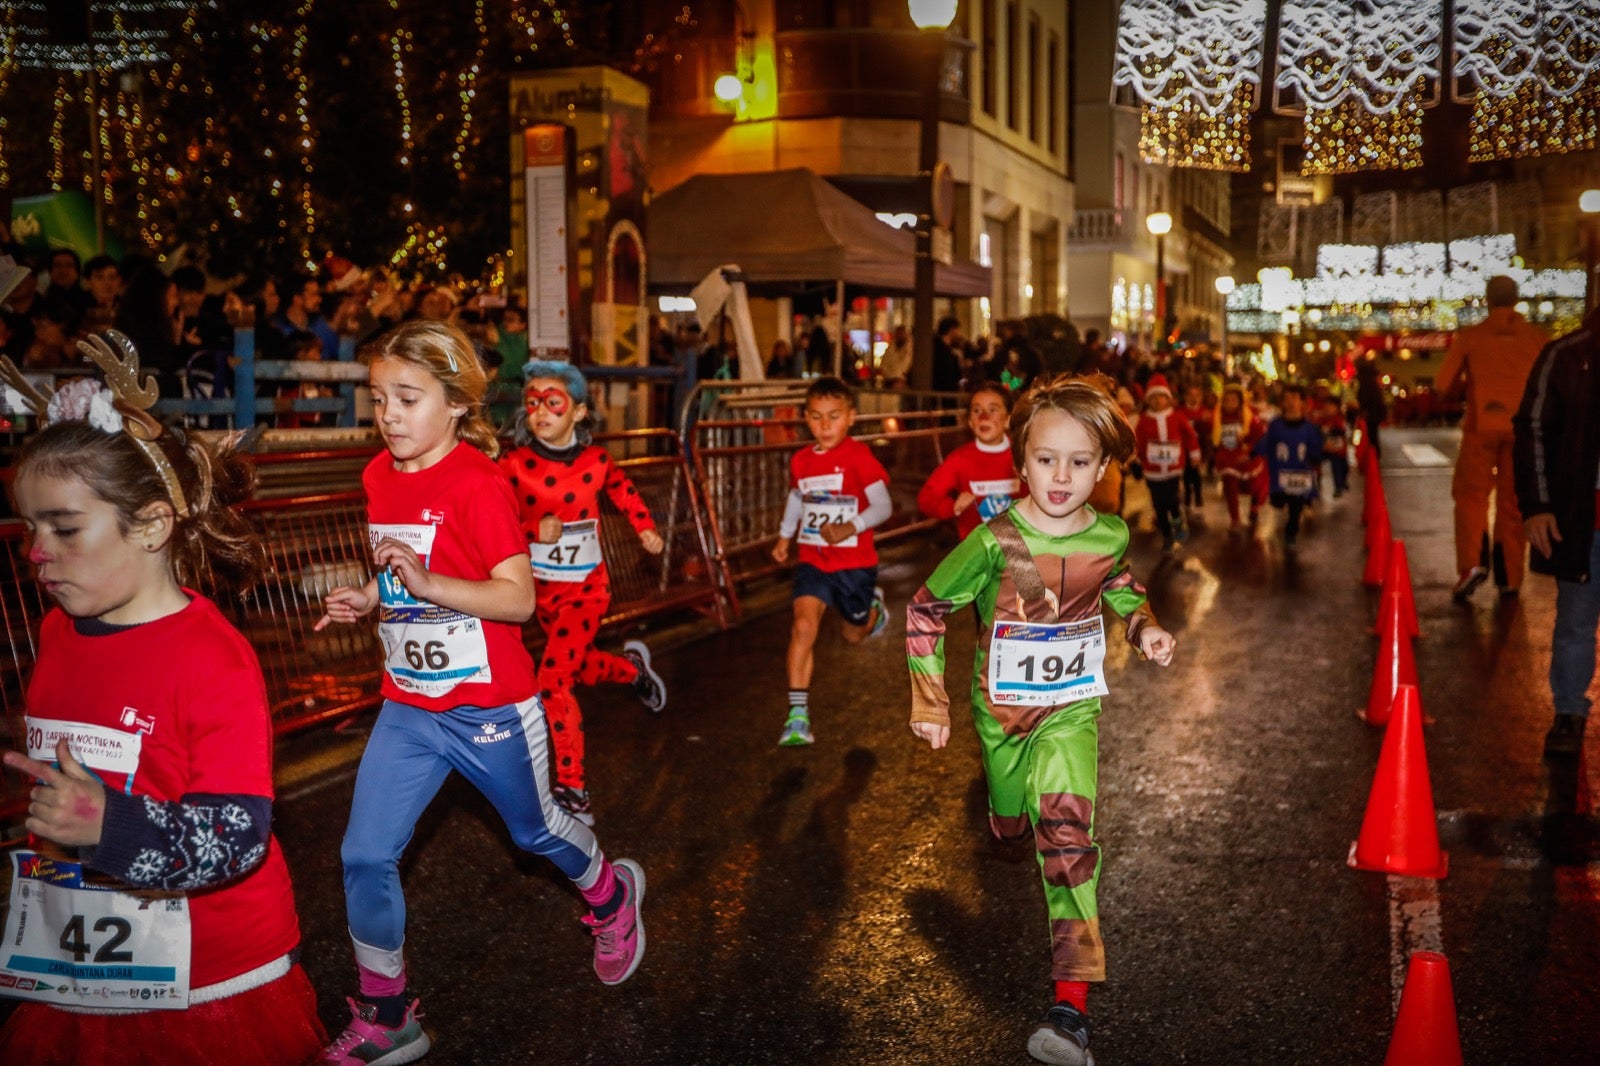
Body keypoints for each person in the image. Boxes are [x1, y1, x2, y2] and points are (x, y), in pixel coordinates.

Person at [313, 320, 645, 1062]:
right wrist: (371, 596)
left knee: (535, 833)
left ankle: (611, 896)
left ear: (457, 403)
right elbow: (404, 568)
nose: (389, 414)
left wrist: (428, 584)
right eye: (378, 398)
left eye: (408, 397)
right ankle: (387, 1013)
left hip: (490, 705)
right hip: (409, 707)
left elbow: (518, 598)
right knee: (365, 854)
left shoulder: (476, 483)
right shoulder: (378, 476)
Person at [0, 336, 326, 1065]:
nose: (35, 553)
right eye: (28, 528)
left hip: (209, 984)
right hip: (79, 972)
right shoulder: (54, 633)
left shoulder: (213, 661)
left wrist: (105, 825)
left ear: (150, 525)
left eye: (64, 528)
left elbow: (237, 837)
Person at [905, 377, 1175, 1066]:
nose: (1061, 475)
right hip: (1001, 717)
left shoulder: (1110, 533)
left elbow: (1118, 585)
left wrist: (1144, 628)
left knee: (1066, 835)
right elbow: (925, 610)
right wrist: (930, 701)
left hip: (1071, 710)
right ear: (1020, 462)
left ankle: (1070, 1008)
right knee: (1009, 819)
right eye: (1047, 458)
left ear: (1104, 467)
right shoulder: (994, 539)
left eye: (1079, 461)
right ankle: (1006, 815)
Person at [498, 359, 669, 825]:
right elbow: (491, 517)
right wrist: (534, 527)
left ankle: (572, 787)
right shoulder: (513, 465)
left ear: (578, 413)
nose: (540, 413)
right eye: (532, 402)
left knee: (552, 678)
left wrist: (646, 529)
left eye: (553, 402)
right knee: (578, 666)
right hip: (539, 595)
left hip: (588, 591)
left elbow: (625, 493)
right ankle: (631, 670)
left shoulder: (597, 462)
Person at [769, 376, 892, 746]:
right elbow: (796, 498)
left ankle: (871, 611)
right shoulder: (802, 461)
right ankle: (797, 717)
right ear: (806, 418)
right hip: (814, 561)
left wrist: (849, 526)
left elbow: (884, 506)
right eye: (817, 417)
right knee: (803, 627)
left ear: (851, 417)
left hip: (854, 564)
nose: (825, 426)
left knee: (853, 635)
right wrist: (783, 537)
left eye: (834, 416)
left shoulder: (859, 458)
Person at [1513, 307, 1600, 757]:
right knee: (1575, 621)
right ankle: (1568, 712)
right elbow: (1532, 429)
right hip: (1587, 522)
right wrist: (1538, 505)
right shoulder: (1566, 355)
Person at [1438, 275, 1548, 601]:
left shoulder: (1472, 337)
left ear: (1488, 300)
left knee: (1471, 497)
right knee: (1513, 504)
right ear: (1516, 300)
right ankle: (1510, 577)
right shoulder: (1537, 338)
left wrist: (1466, 388)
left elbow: (1443, 385)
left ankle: (1472, 565)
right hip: (1523, 430)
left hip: (1481, 426)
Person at [917, 382, 1024, 541]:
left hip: (1019, 548)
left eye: (993, 410)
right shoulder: (959, 459)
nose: (984, 417)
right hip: (976, 550)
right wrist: (952, 507)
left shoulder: (1023, 454)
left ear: (1008, 419)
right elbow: (927, 499)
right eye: (976, 410)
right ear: (970, 422)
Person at [1131, 374, 1200, 552]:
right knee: (1158, 505)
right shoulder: (1144, 421)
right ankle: (1167, 536)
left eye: (1161, 397)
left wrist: (1194, 453)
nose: (1157, 401)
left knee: (1172, 500)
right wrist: (1136, 460)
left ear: (1168, 399)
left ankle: (1177, 519)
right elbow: (1138, 442)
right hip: (1152, 471)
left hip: (1173, 469)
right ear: (1148, 400)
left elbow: (1190, 435)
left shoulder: (1177, 417)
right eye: (1153, 398)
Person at [1254, 383, 1323, 548]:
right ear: (1282, 403)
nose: (1290, 402)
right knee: (1277, 501)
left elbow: (1316, 446)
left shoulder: (1310, 428)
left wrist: (1316, 457)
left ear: (1302, 403)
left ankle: (1291, 531)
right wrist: (1253, 453)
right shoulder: (1276, 425)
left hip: (1300, 473)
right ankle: (1282, 507)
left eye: (1294, 398)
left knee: (1296, 506)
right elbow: (1267, 442)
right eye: (1286, 399)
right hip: (1280, 472)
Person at [1212, 382, 1265, 531]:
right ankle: (1235, 519)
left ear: (1240, 401)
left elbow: (1259, 437)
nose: (1229, 404)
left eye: (1233, 400)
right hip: (1227, 458)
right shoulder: (1217, 417)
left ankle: (1254, 507)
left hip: (1247, 458)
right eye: (1226, 400)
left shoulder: (1249, 417)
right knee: (1230, 487)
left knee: (1253, 486)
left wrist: (1248, 446)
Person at [1178, 381, 1210, 513]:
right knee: (1187, 473)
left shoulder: (1205, 412)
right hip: (1184, 449)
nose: (1193, 398)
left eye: (1197, 395)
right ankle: (1190, 496)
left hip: (1199, 448)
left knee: (1195, 473)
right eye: (1190, 395)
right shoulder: (1180, 412)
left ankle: (1196, 494)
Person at [1312, 393, 1351, 498]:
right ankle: (1313, 486)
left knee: (1339, 465)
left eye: (1331, 406)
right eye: (1326, 406)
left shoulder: (1339, 420)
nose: (1328, 409)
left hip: (1337, 450)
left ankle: (1340, 485)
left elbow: (1342, 433)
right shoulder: (1321, 419)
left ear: (1337, 408)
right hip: (1323, 448)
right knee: (1312, 460)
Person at [933, 315, 964, 392]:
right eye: (957, 330)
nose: (958, 333)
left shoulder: (950, 349)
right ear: (952, 330)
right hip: (942, 392)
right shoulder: (940, 350)